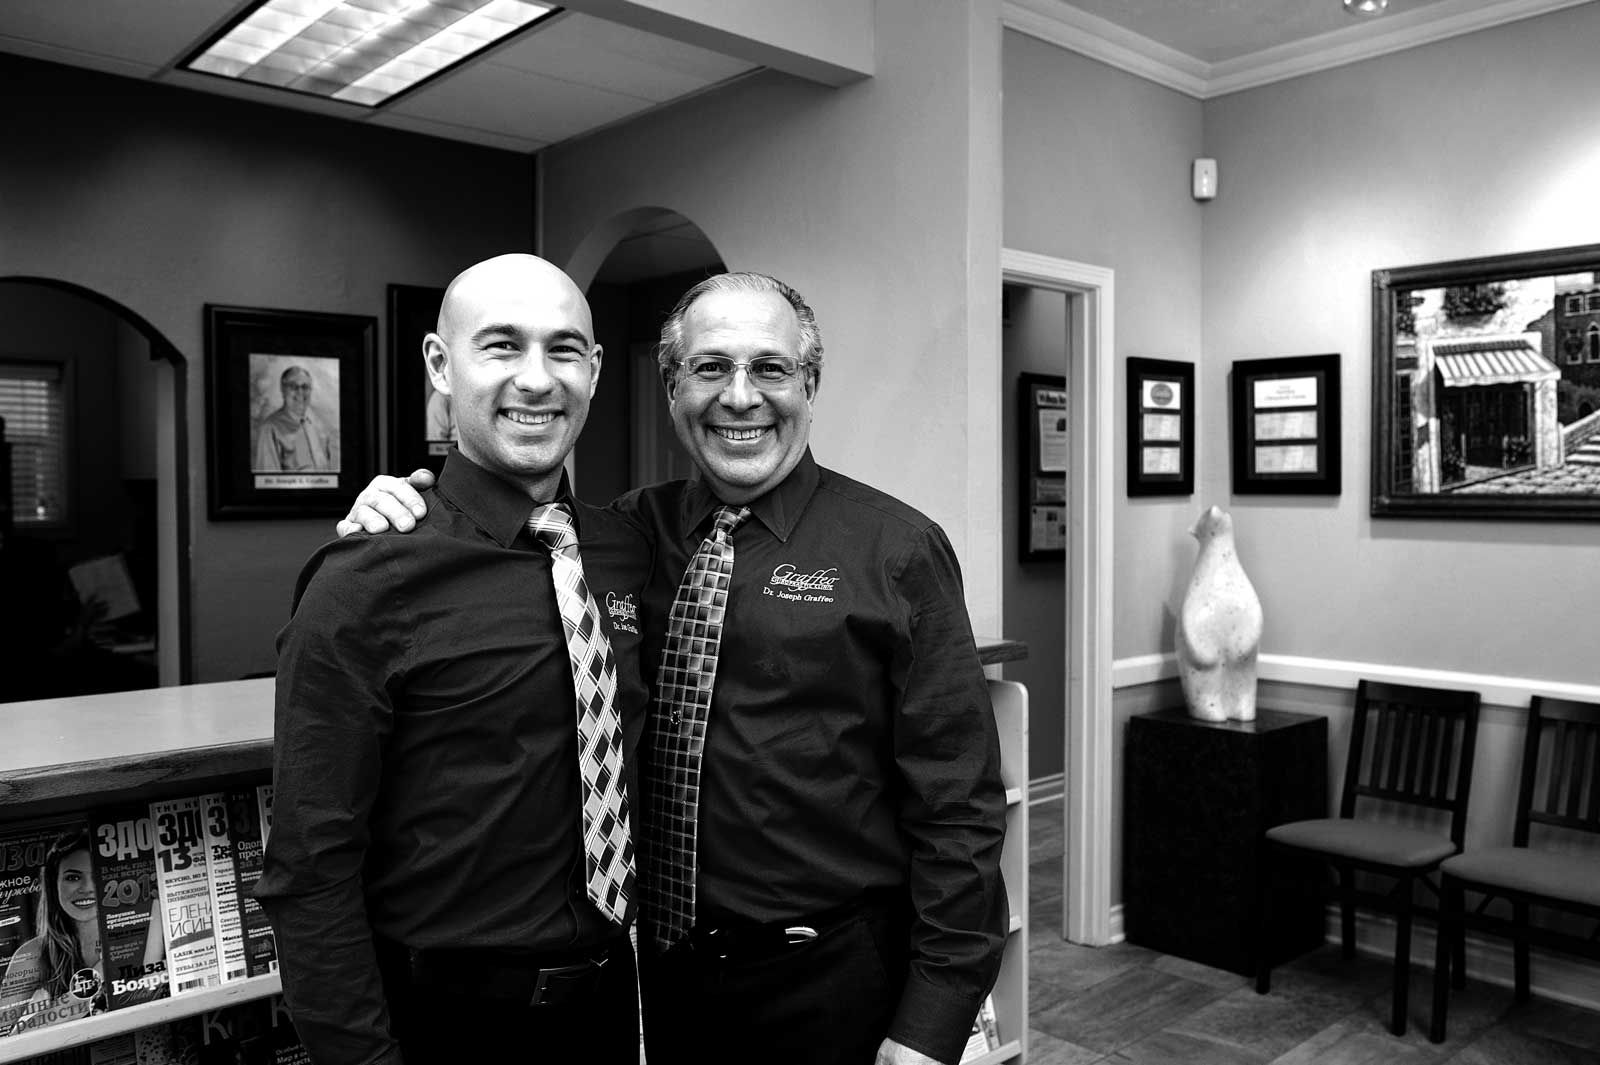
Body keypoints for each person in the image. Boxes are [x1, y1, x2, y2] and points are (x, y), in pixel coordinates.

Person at [339, 272, 1008, 1065]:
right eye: (710, 367)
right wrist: (403, 507)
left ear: (810, 383)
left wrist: (930, 1024)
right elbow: (497, 541)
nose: (740, 396)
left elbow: (959, 806)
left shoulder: (897, 550)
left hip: (833, 980)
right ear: (672, 387)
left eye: (770, 368)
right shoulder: (622, 538)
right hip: (656, 983)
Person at [255, 254, 653, 1065]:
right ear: (441, 364)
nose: (536, 378)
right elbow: (310, 867)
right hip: (446, 1021)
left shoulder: (627, 550)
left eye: (564, 350)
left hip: (611, 1005)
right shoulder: (366, 579)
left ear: (595, 369)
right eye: (501, 345)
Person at [0, 829, 105, 1034]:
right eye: (73, 877)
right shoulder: (35, 952)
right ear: (53, 884)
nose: (87, 887)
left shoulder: (135, 934)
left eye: (98, 875)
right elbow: (2, 1032)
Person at [253, 365, 337, 472]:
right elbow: (268, 479)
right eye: (293, 386)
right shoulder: (269, 429)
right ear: (283, 390)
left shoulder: (317, 424)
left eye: (305, 387)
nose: (300, 392)